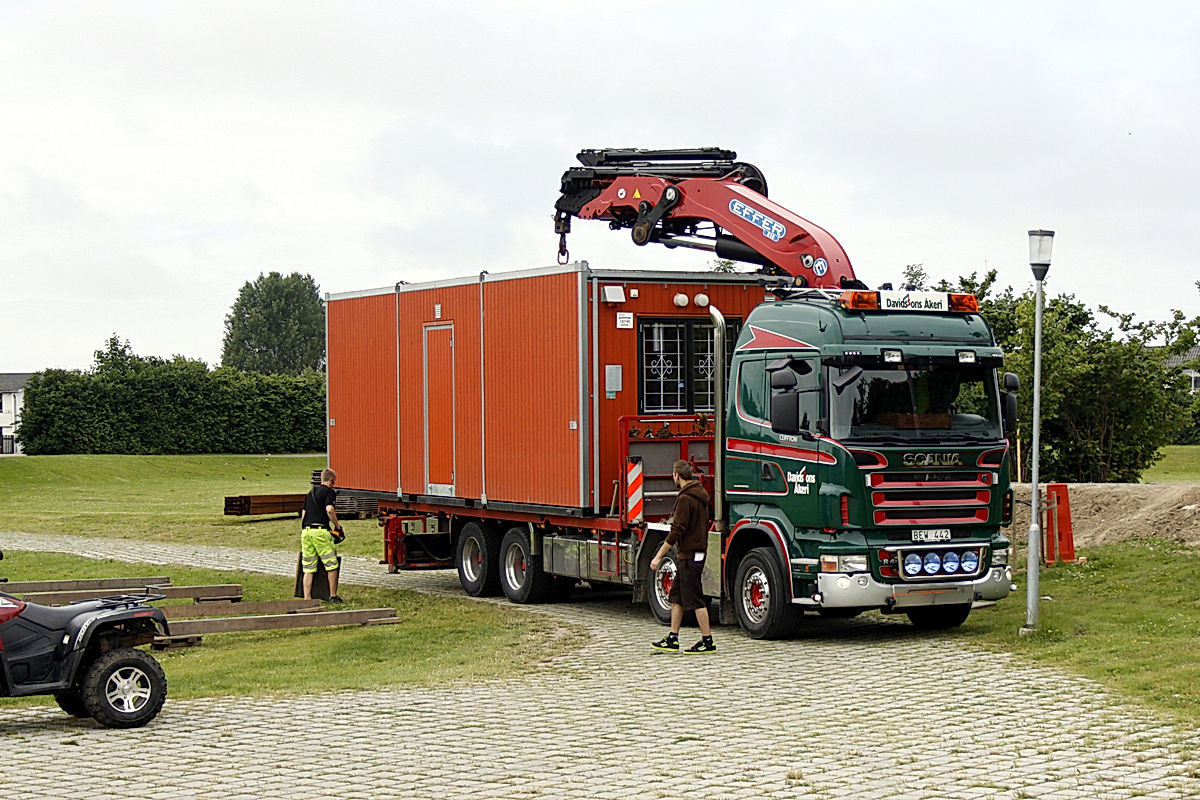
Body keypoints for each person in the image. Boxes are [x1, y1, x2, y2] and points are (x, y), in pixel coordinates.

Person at [649, 460, 715, 653]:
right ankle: (673, 638)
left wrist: (658, 556)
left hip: (691, 554)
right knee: (676, 596)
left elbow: (677, 530)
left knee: (695, 598)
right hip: (692, 552)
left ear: (677, 476)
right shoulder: (700, 494)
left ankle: (707, 641)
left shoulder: (686, 498)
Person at [301, 468, 344, 603]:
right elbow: (329, 509)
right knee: (331, 564)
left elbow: (303, 514)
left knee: (308, 567)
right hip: (320, 531)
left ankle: (307, 598)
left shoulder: (311, 492)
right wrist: (337, 526)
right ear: (332, 479)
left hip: (306, 532)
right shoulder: (329, 492)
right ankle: (332, 596)